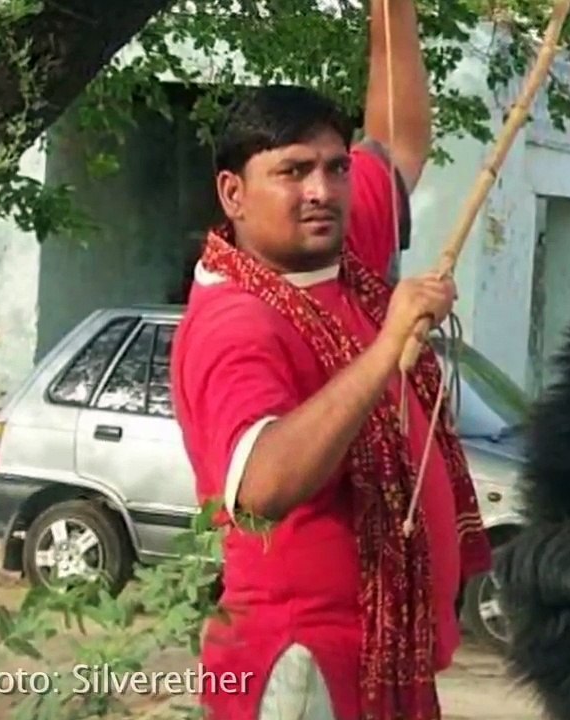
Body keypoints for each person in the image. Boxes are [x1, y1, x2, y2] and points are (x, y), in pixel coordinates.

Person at [168, 2, 492, 718]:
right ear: (234, 194)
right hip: (298, 664)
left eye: (334, 168)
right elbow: (262, 485)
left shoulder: (341, 250)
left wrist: (391, 8)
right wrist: (387, 348)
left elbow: (399, 135)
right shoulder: (233, 321)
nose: (321, 189)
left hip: (387, 649)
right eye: (292, 171)